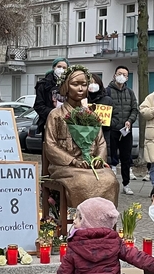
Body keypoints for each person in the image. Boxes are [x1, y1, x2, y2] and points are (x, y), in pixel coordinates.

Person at [44, 65, 120, 207]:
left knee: (111, 180)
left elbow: (101, 142)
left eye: (84, 85)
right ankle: (83, 220)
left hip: (90, 165)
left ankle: (104, 221)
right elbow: (50, 145)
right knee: (83, 182)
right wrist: (73, 161)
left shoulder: (91, 114)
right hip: (66, 167)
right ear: (66, 87)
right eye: (75, 84)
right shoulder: (55, 115)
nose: (80, 89)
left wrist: (99, 159)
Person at [104, 65, 138, 196]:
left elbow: (134, 109)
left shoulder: (130, 93)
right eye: (119, 73)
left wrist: (130, 121)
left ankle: (126, 184)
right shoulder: (107, 91)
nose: (121, 76)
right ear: (114, 75)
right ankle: (110, 184)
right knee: (110, 158)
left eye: (124, 74)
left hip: (126, 130)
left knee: (126, 158)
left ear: (127, 77)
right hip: (111, 129)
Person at [34, 57, 68, 132]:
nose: (61, 69)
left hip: (67, 124)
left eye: (64, 68)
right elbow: (38, 106)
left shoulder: (70, 84)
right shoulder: (43, 84)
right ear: (53, 67)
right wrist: (55, 114)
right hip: (49, 124)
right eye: (59, 67)